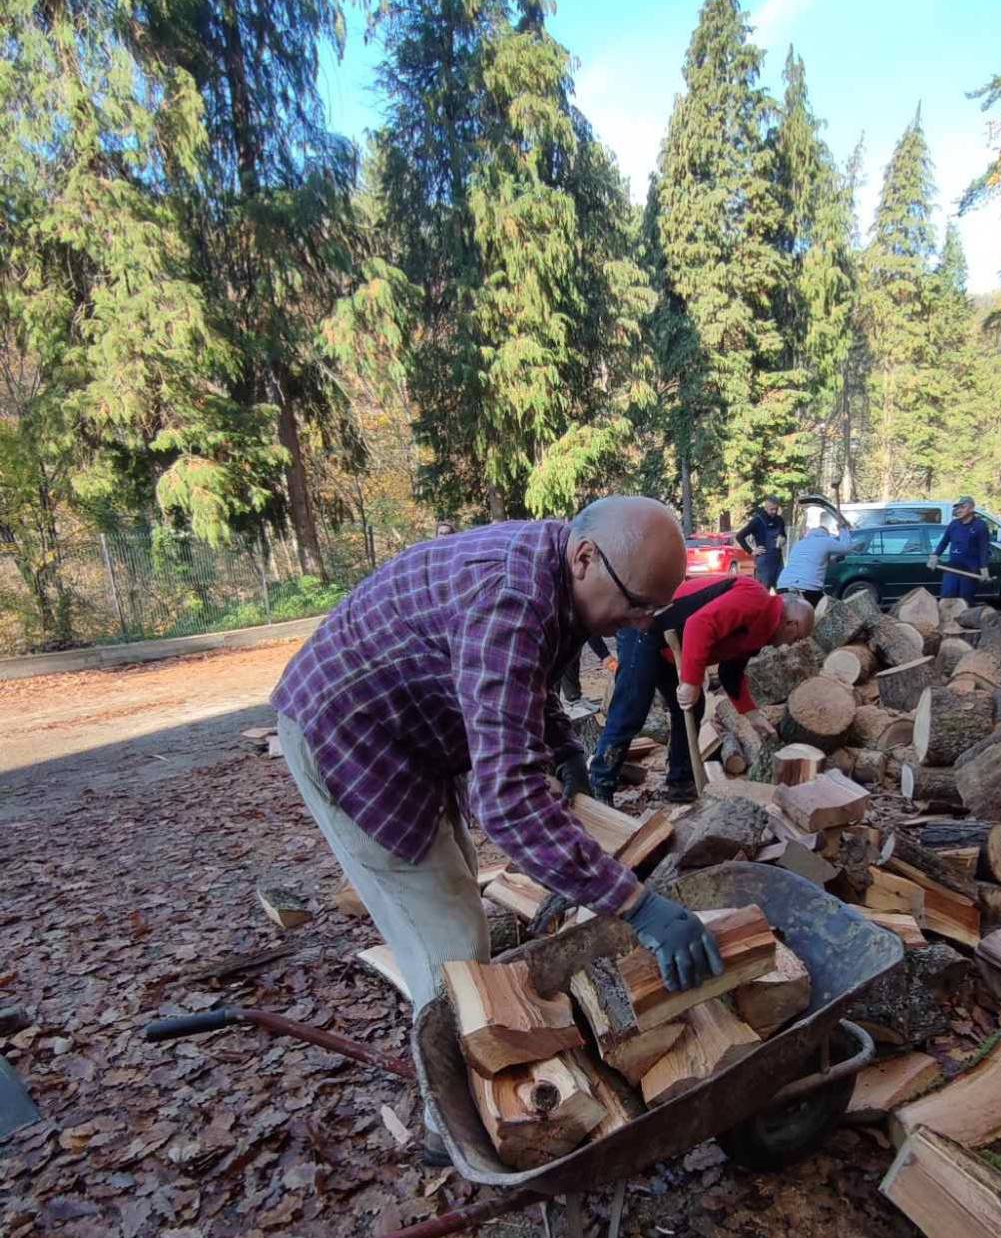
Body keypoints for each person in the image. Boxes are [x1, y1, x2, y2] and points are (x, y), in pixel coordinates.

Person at [271, 497, 724, 1161]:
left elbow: (518, 677)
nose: (642, 623)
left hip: (411, 733)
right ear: (585, 557)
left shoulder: (555, 573)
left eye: (654, 608)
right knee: (447, 936)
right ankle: (446, 1125)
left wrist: (563, 744)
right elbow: (505, 800)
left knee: (458, 902)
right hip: (349, 738)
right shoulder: (509, 598)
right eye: (635, 604)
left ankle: (461, 1079)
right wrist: (639, 906)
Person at [590, 576, 815, 804]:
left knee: (693, 708)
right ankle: (601, 784)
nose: (787, 646)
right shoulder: (754, 599)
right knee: (632, 706)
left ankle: (679, 782)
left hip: (671, 644)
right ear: (791, 625)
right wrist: (691, 682)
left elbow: (731, 673)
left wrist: (753, 716)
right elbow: (700, 624)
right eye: (795, 639)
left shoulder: (761, 632)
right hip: (646, 627)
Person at [778, 514, 856, 606]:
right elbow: (846, 547)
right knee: (820, 613)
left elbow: (816, 560)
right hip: (807, 588)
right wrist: (842, 529)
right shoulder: (825, 540)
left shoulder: (799, 544)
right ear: (826, 534)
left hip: (783, 586)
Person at [928, 496, 990, 605]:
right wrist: (935, 556)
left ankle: (964, 621)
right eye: (958, 508)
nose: (959, 510)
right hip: (952, 568)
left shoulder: (980, 526)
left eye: (963, 507)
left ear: (971, 509)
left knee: (964, 601)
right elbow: (944, 542)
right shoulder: (954, 524)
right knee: (946, 598)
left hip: (970, 571)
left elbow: (983, 549)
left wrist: (984, 569)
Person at [735, 496, 788, 591]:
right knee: (763, 592)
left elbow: (784, 536)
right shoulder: (757, 521)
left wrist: (783, 539)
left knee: (782, 590)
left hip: (778, 561)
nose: (774, 512)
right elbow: (739, 536)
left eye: (776, 509)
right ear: (766, 508)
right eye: (771, 509)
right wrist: (751, 551)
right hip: (764, 563)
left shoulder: (780, 520)